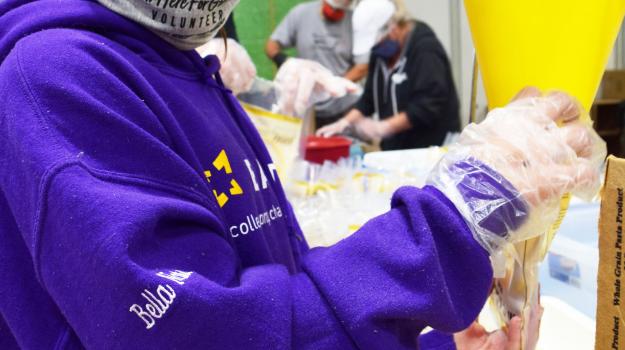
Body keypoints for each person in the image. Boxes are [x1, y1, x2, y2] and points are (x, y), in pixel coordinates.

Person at [0, 1, 605, 350]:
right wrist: (446, 226)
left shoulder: (187, 72)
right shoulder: (56, 78)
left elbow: (275, 298)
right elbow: (206, 336)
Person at [317, 2, 461, 150]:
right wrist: (345, 122)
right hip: (397, 151)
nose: (375, 49)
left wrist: (383, 127)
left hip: (429, 149)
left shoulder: (426, 49)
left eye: (379, 43)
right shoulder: (380, 52)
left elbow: (427, 105)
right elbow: (369, 98)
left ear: (393, 27)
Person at [265, 0, 368, 127]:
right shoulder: (301, 13)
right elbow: (271, 47)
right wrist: (291, 64)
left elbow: (362, 66)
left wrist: (332, 84)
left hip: (342, 107)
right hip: (306, 105)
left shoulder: (357, 20)